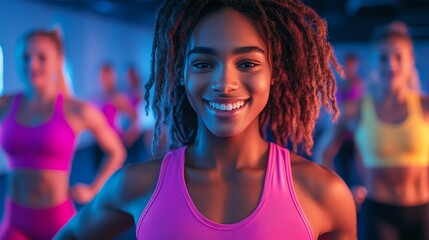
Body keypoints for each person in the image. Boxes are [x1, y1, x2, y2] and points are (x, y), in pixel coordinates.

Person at [55, 0, 356, 239]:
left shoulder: (324, 194)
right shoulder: (137, 185)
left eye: (248, 63)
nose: (225, 83)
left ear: (274, 73)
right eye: (203, 63)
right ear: (181, 73)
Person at [0, 29, 126, 240]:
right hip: (15, 219)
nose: (32, 65)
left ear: (58, 61)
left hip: (56, 220)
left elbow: (116, 152)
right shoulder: (5, 105)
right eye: (25, 57)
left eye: (41, 57)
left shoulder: (77, 110)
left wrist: (94, 189)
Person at [317, 21, 429, 240]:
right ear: (373, 62)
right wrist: (342, 193)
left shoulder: (425, 106)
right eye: (383, 58)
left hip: (423, 212)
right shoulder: (355, 110)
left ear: (411, 61)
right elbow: (323, 153)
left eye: (399, 57)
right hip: (378, 213)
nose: (391, 65)